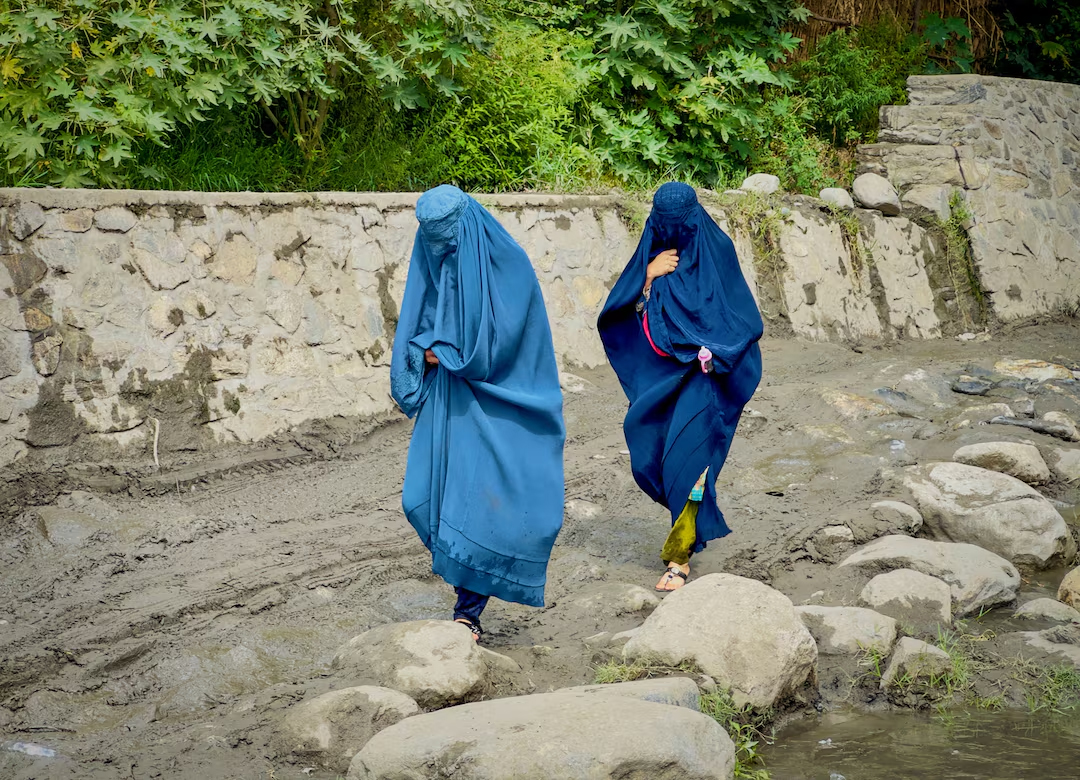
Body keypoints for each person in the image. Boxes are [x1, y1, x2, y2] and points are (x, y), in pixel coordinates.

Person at [389, 184, 566, 641]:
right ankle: (469, 593)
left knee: (482, 505)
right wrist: (423, 353)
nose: (438, 247)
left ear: (466, 223)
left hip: (502, 399)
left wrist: (441, 352)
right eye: (429, 237)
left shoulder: (512, 267)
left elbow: (498, 345)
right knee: (419, 499)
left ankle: (467, 614)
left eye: (445, 236)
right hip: (450, 398)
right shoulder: (437, 257)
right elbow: (419, 322)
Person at [598, 182, 763, 592]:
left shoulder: (717, 250)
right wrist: (646, 275)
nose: (671, 228)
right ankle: (686, 528)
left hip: (707, 379)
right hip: (659, 379)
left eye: (678, 222)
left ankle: (679, 557)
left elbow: (743, 320)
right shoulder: (651, 252)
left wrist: (715, 352)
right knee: (649, 456)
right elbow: (622, 314)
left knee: (688, 465)